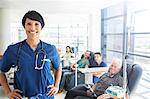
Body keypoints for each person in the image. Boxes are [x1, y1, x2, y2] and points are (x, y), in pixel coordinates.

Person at [0, 10, 62, 99]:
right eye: (29, 24)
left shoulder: (50, 49)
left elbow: (58, 67)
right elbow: (2, 71)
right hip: (23, 96)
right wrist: (8, 92)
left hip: (46, 96)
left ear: (41, 27)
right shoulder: (13, 50)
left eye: (36, 24)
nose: (33, 28)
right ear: (24, 26)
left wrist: (56, 86)